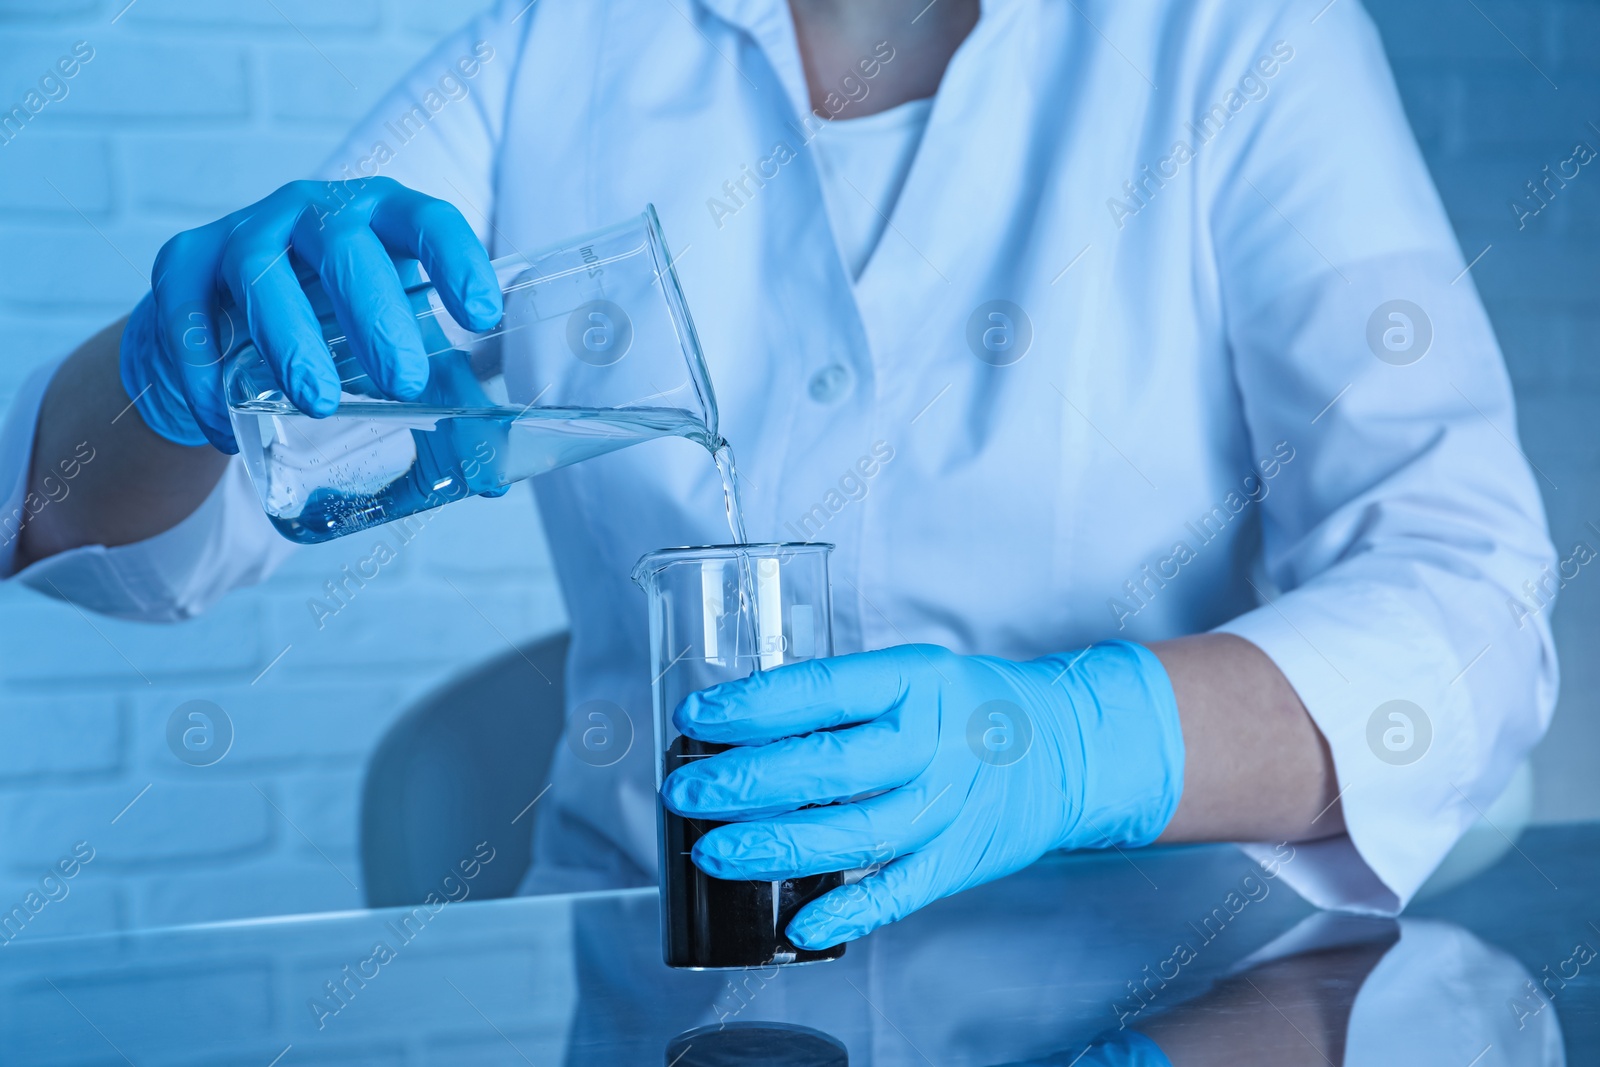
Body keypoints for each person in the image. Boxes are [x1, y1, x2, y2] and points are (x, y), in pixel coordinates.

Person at [0, 0, 1556, 951]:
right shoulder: (560, 46)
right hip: (657, 967)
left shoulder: (1239, 33)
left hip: (1156, 978)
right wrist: (175, 372)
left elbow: (1471, 604)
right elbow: (98, 528)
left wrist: (1081, 743)